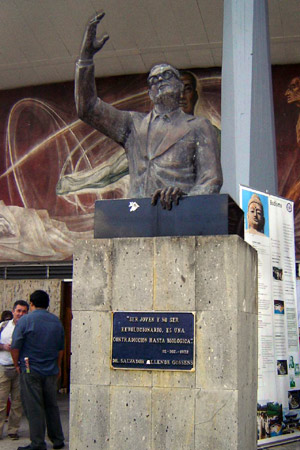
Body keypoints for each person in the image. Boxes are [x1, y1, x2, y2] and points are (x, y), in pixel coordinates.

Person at [75, 13, 222, 210]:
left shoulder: (199, 126)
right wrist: (85, 59)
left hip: (178, 217)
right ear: (150, 93)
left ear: (180, 86)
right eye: (153, 80)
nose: (159, 80)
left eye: (166, 75)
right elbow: (88, 108)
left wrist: (185, 199)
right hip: (137, 217)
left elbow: (210, 180)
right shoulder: (132, 125)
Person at [11, 290, 65, 450]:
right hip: (50, 370)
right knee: (51, 405)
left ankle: (37, 443)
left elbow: (15, 346)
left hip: (30, 369)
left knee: (34, 406)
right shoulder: (56, 322)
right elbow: (60, 348)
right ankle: (57, 439)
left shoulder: (25, 321)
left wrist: (16, 365)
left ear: (32, 304)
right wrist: (59, 367)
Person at [0, 300, 29, 440]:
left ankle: (13, 430)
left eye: (24, 311)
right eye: (18, 311)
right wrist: (3, 347)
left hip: (20, 369)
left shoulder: (29, 327)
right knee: (1, 401)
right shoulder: (3, 326)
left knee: (17, 402)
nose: (20, 314)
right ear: (13, 312)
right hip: (3, 367)